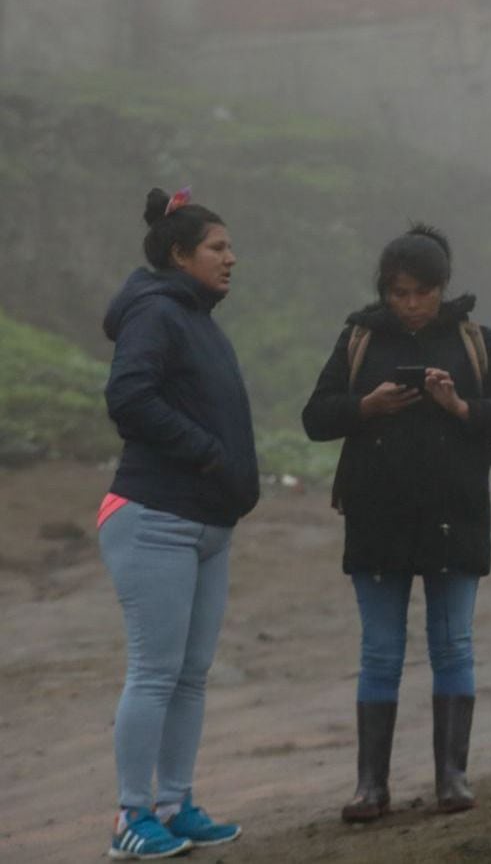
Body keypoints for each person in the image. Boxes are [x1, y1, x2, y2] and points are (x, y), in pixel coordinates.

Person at [301, 224, 491, 821]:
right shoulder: (358, 338)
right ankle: (369, 787)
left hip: (456, 516)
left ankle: (452, 779)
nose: (409, 305)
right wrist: (364, 407)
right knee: (380, 652)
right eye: (398, 293)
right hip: (376, 518)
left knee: (452, 645)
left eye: (421, 292)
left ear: (442, 286)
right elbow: (315, 417)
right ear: (383, 289)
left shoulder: (476, 340)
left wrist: (460, 407)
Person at [98, 187, 258, 859]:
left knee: (189, 674)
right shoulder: (157, 312)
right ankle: (131, 817)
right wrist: (208, 454)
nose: (231, 259)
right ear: (179, 253)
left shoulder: (198, 319)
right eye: (218, 248)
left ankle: (175, 803)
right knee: (155, 672)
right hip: (154, 516)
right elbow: (128, 397)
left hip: (205, 525)